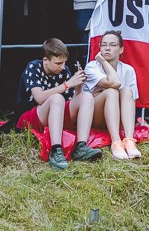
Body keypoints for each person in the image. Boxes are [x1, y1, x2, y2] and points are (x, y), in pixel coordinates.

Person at [18, 38, 101, 168]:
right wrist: (67, 84)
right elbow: (39, 98)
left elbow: (71, 103)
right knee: (57, 98)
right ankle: (56, 150)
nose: (62, 67)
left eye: (64, 63)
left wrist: (78, 87)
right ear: (45, 60)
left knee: (87, 96)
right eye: (58, 63)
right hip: (30, 116)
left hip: (56, 114)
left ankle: (81, 147)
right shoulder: (33, 67)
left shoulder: (64, 70)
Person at [83, 30, 143, 160]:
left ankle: (129, 141)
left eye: (112, 45)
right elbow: (114, 83)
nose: (107, 48)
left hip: (118, 116)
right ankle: (116, 142)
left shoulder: (128, 70)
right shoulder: (92, 67)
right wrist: (103, 62)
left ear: (121, 49)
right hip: (96, 117)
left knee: (126, 91)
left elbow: (131, 101)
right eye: (103, 45)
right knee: (111, 91)